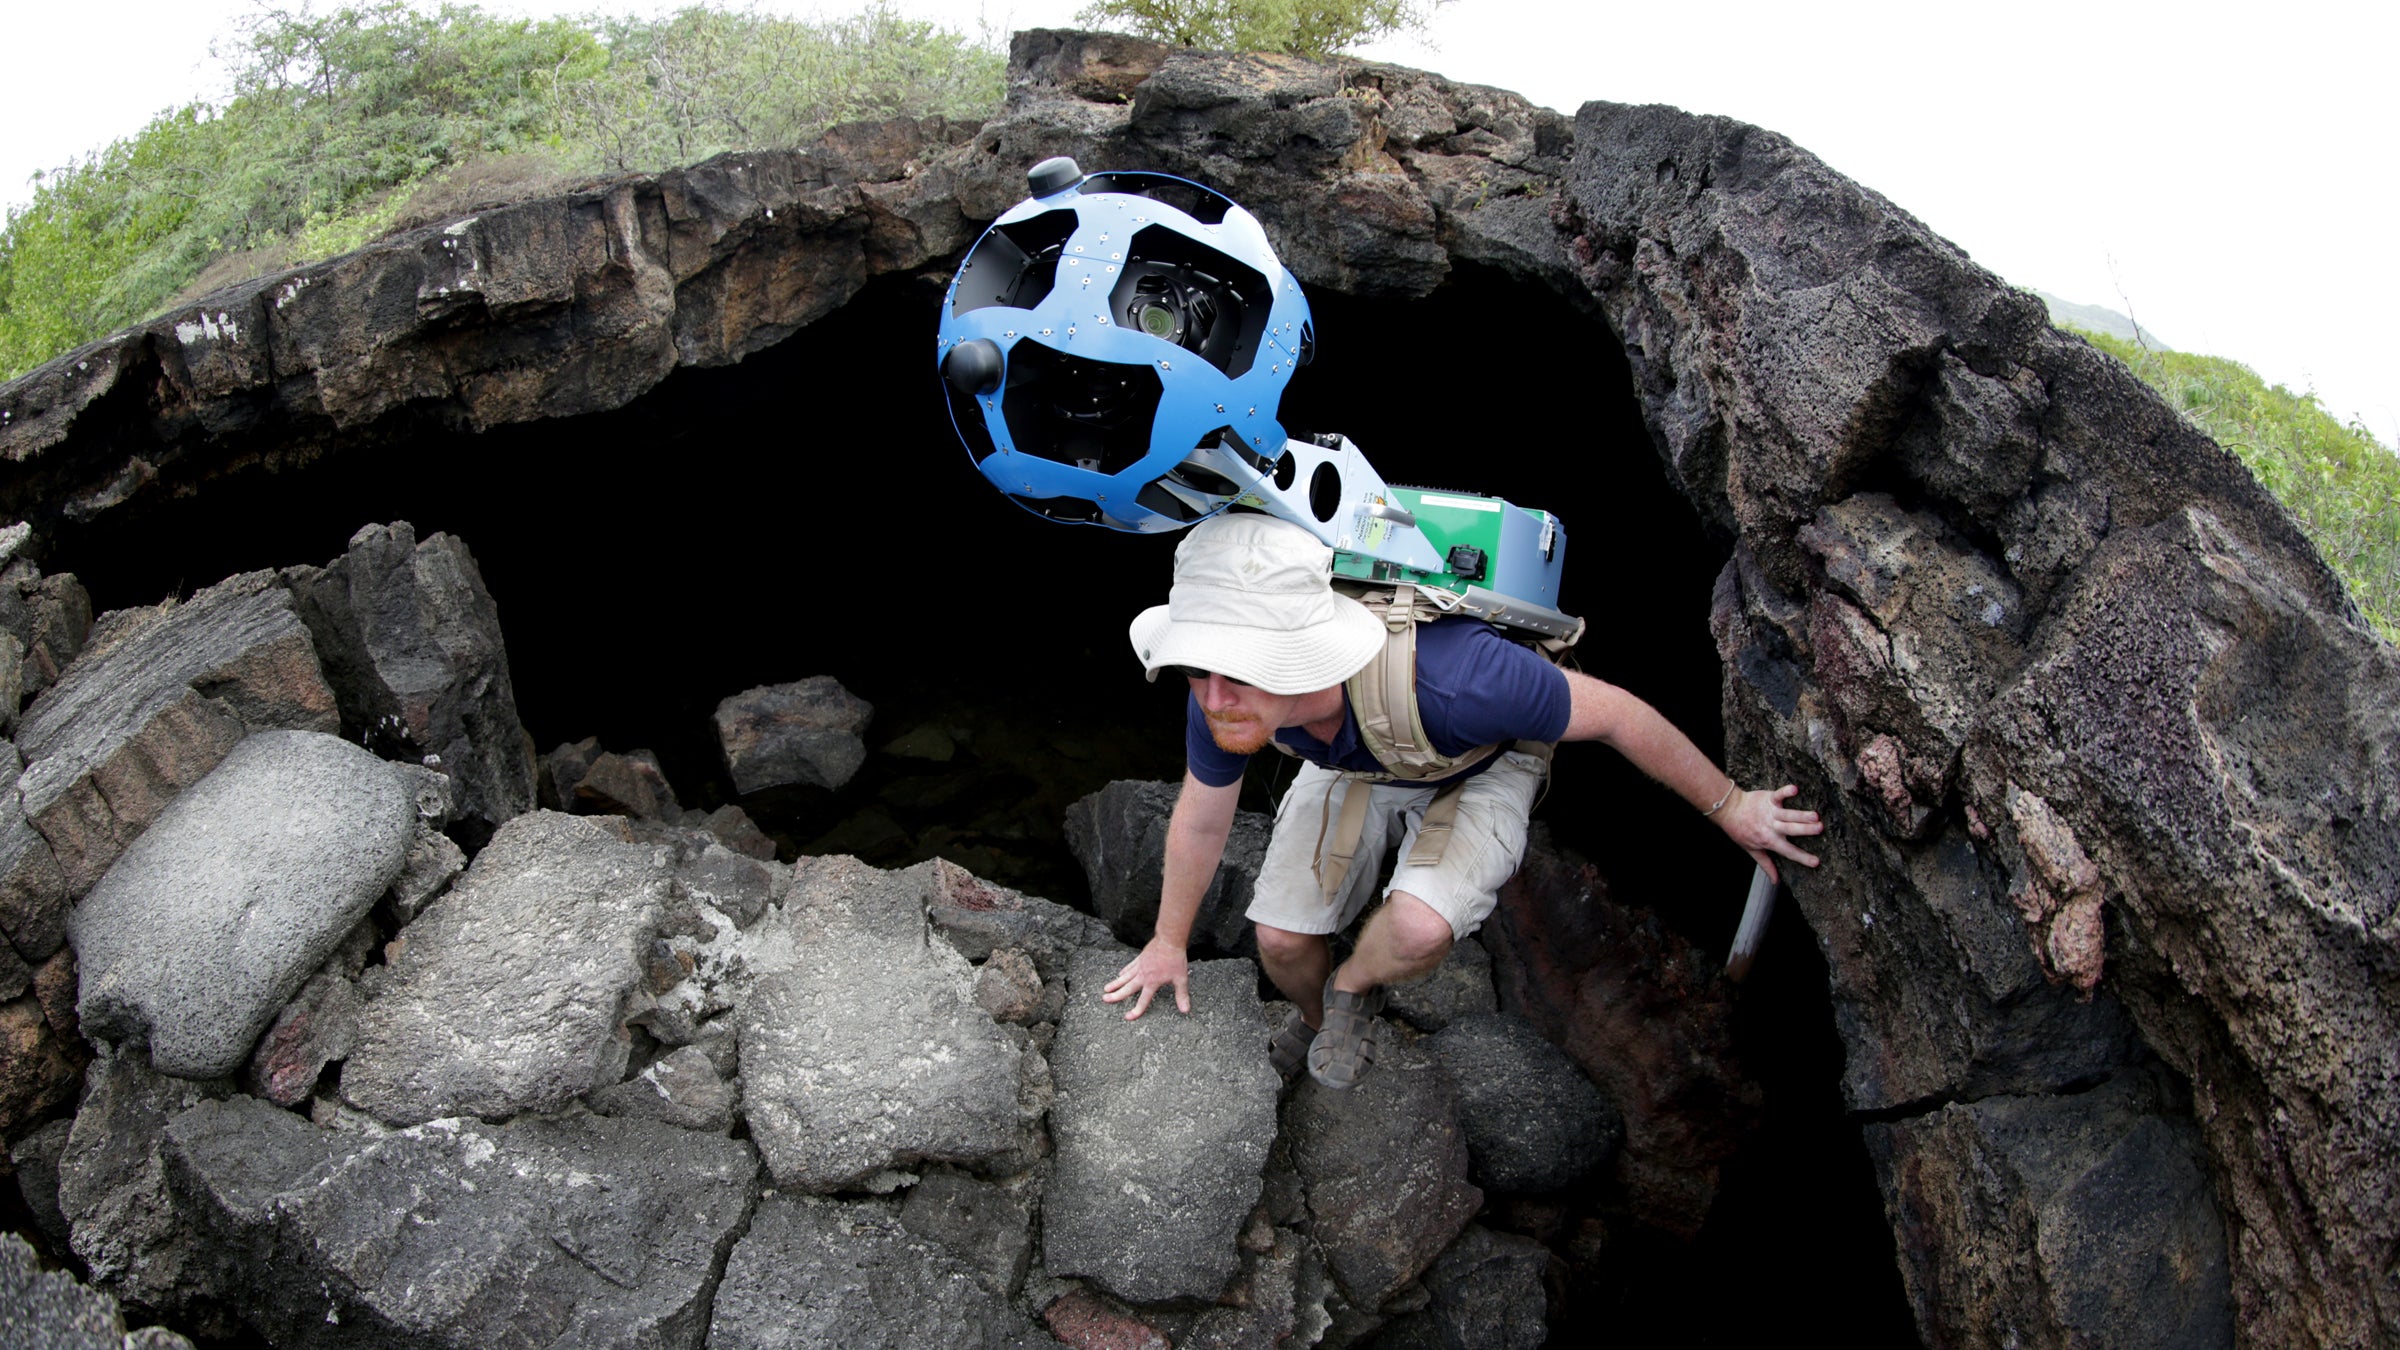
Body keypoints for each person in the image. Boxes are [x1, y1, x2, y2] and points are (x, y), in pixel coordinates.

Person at [1101, 512, 1824, 1089]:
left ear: (1295, 652)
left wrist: (1730, 807)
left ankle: (1356, 986)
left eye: (1234, 673)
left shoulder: (1462, 677)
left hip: (1478, 760)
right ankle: (1325, 1020)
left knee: (1417, 929)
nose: (1212, 697)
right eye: (1197, 669)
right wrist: (1167, 943)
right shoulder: (1223, 697)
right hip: (1356, 761)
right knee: (1283, 941)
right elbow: (1202, 814)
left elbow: (1618, 716)